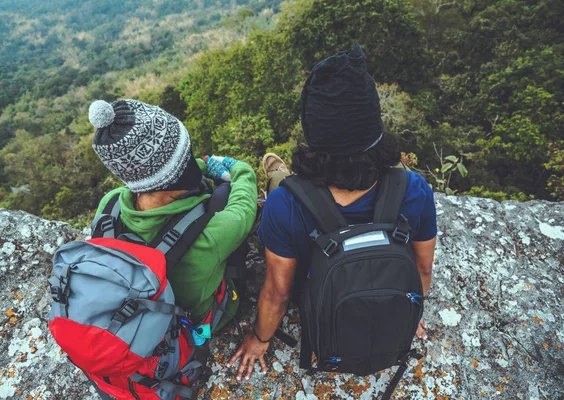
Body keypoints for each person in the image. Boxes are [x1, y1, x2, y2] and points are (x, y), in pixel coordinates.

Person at [228, 44, 437, 381]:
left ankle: (276, 174)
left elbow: (277, 293)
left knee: (282, 185)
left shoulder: (286, 204)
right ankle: (280, 174)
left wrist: (259, 340)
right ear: (374, 127)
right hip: (387, 287)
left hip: (317, 295)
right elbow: (422, 269)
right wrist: (403, 309)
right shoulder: (414, 189)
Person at [89, 98, 257, 330]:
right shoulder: (210, 235)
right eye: (186, 155)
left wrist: (199, 165)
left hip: (134, 317)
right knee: (223, 194)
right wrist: (240, 169)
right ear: (179, 171)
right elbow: (244, 209)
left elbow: (162, 177)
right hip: (196, 320)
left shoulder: (110, 205)